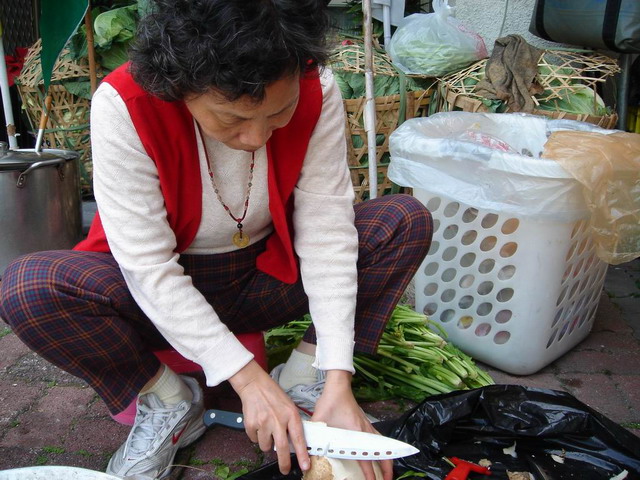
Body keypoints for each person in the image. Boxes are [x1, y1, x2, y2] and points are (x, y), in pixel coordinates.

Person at [0, 1, 432, 479]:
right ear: (180, 88)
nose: (257, 137)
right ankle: (167, 398)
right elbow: (148, 268)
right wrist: (247, 380)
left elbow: (327, 232)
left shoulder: (316, 86)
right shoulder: (125, 104)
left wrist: (338, 377)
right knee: (29, 286)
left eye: (278, 113)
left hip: (261, 278)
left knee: (402, 220)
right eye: (231, 119)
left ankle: (305, 377)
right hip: (153, 298)